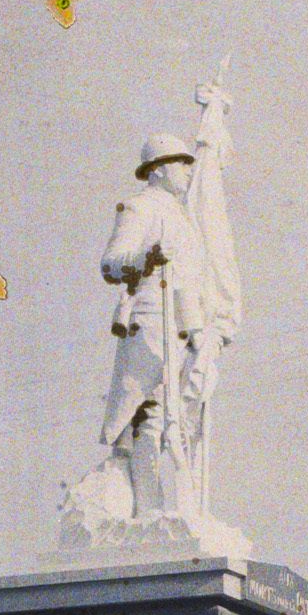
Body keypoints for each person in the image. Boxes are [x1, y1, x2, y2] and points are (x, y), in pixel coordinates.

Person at [98, 131, 213, 520]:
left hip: (183, 325)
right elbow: (112, 262)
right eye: (181, 164)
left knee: (179, 420)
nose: (186, 173)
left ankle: (178, 508)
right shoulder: (139, 207)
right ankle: (149, 508)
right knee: (151, 414)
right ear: (160, 169)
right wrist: (146, 257)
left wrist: (197, 329)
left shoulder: (185, 219)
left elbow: (189, 280)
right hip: (149, 319)